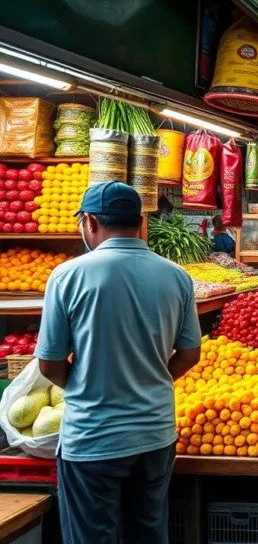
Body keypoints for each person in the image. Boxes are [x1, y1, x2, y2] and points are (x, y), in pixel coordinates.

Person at [35, 182, 202, 544]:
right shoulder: (177, 276)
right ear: (141, 222)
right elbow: (190, 353)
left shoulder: (68, 275)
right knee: (148, 532)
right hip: (155, 434)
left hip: (94, 438)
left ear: (90, 222)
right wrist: (154, 378)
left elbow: (48, 363)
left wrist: (85, 384)